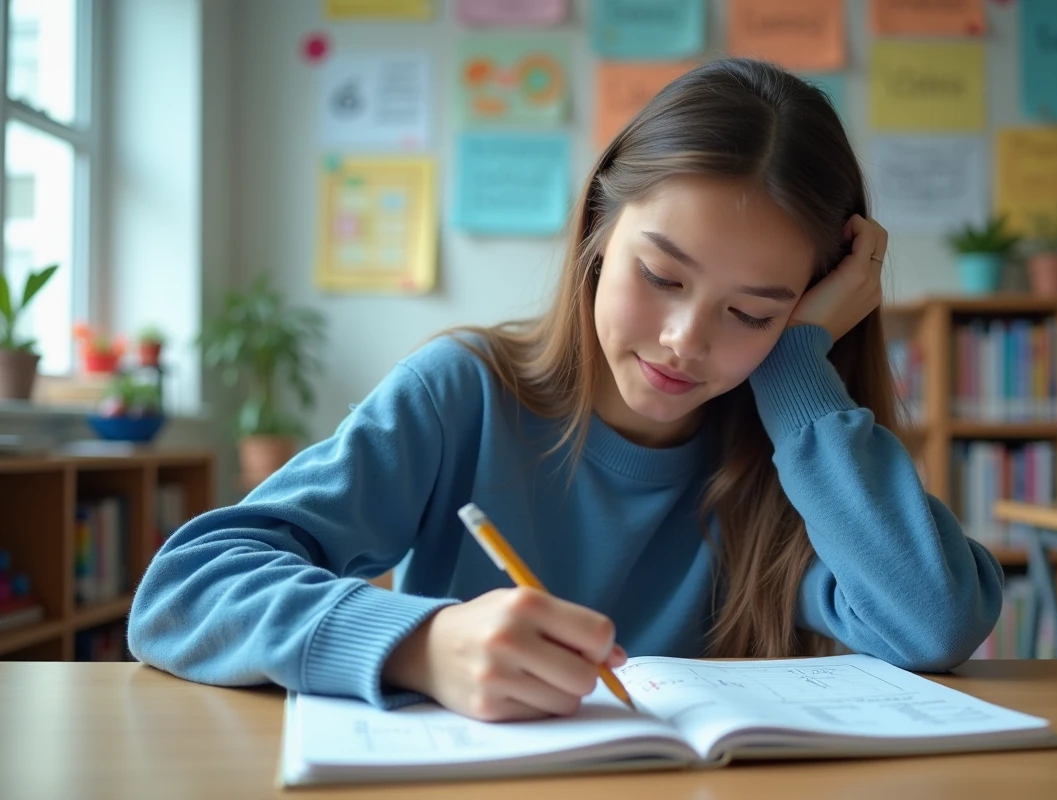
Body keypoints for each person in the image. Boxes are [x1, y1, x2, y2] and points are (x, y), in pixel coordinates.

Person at [128, 58, 1003, 722]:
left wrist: (799, 370)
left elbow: (933, 623)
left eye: (753, 312)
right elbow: (185, 590)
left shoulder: (790, 455)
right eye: (660, 276)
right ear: (596, 232)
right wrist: (418, 645)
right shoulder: (462, 396)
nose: (684, 341)